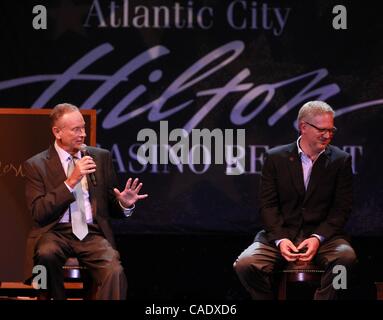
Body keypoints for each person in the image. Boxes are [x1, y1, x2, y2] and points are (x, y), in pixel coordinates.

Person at [233, 100, 357, 300]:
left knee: (345, 259)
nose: (328, 135)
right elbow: (268, 205)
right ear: (304, 127)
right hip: (281, 234)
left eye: (331, 129)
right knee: (245, 265)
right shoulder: (275, 158)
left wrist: (318, 238)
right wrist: (281, 240)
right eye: (322, 130)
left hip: (324, 237)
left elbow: (341, 209)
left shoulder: (340, 160)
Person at [23, 103, 148, 300]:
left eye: (83, 128)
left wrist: (124, 204)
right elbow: (39, 212)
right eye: (75, 129)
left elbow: (111, 207)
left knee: (114, 271)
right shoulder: (36, 165)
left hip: (91, 233)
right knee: (46, 254)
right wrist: (71, 180)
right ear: (57, 132)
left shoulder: (100, 157)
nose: (82, 134)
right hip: (55, 232)